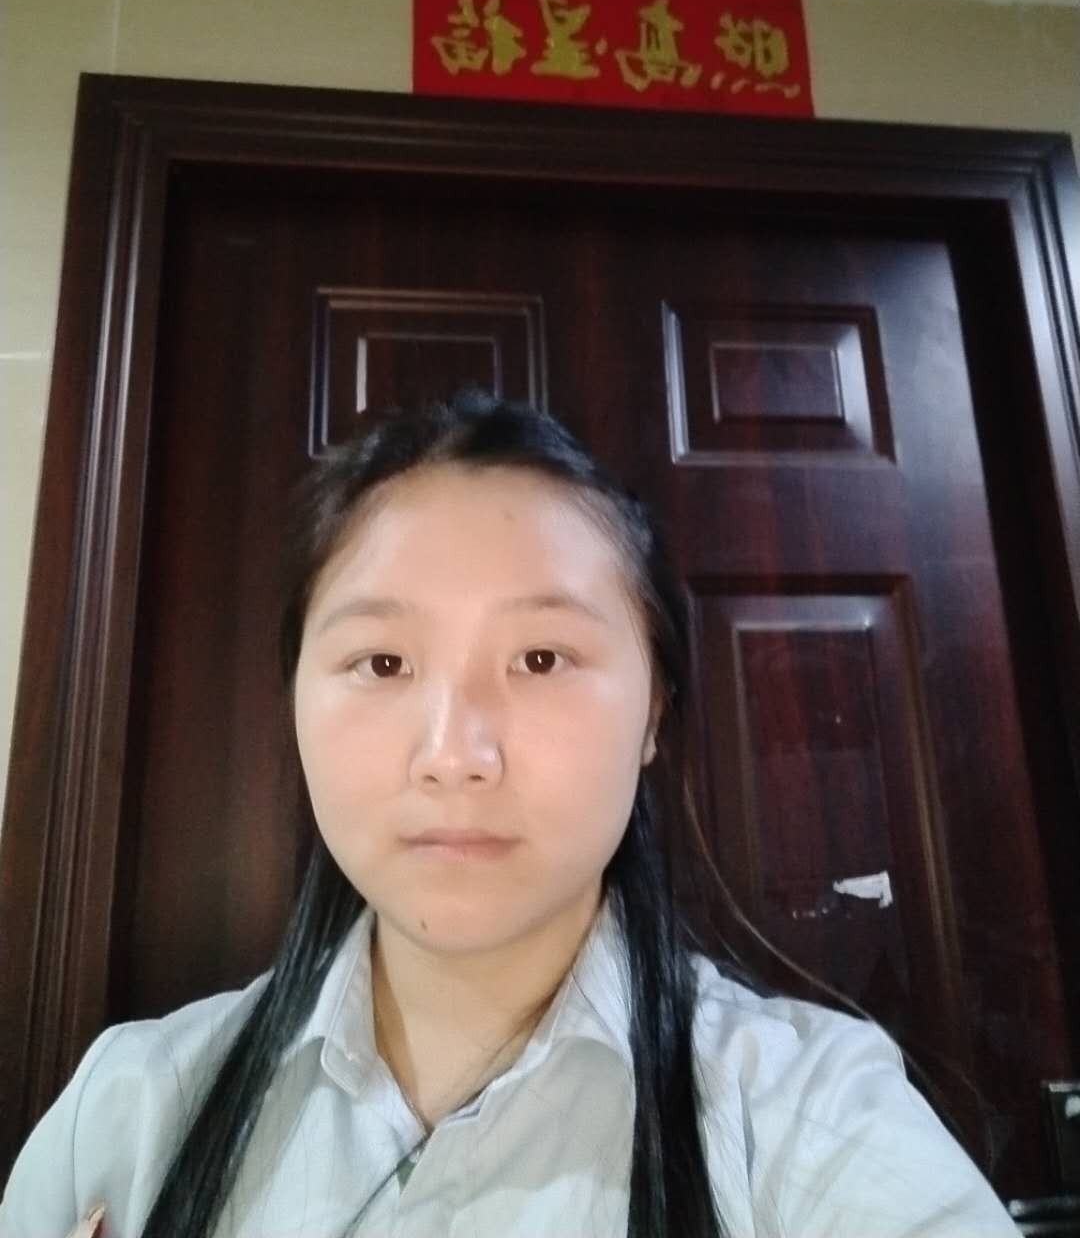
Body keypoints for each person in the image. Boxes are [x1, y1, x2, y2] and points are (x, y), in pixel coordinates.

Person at [1, 390, 1020, 1238]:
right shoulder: (125, 1116)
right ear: (296, 698)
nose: (455, 756)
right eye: (382, 662)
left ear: (653, 713)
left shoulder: (812, 1118)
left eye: (541, 658)